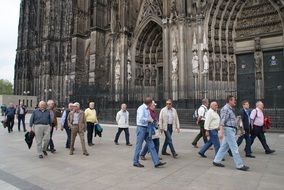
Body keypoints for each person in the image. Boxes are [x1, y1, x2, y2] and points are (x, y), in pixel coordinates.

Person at [213, 95, 249, 171]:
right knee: (234, 147)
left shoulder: (230, 109)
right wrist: (221, 132)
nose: (235, 101)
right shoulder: (225, 109)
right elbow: (222, 120)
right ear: (229, 100)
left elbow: (233, 121)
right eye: (233, 100)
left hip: (231, 129)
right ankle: (239, 165)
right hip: (228, 129)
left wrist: (240, 129)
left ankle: (216, 161)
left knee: (224, 147)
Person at [133, 97, 166, 168]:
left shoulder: (147, 109)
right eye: (152, 103)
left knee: (151, 145)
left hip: (147, 128)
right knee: (139, 146)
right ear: (150, 103)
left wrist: (153, 122)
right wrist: (148, 119)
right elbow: (141, 119)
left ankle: (156, 162)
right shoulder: (141, 108)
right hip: (141, 128)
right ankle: (135, 162)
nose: (153, 104)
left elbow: (149, 118)